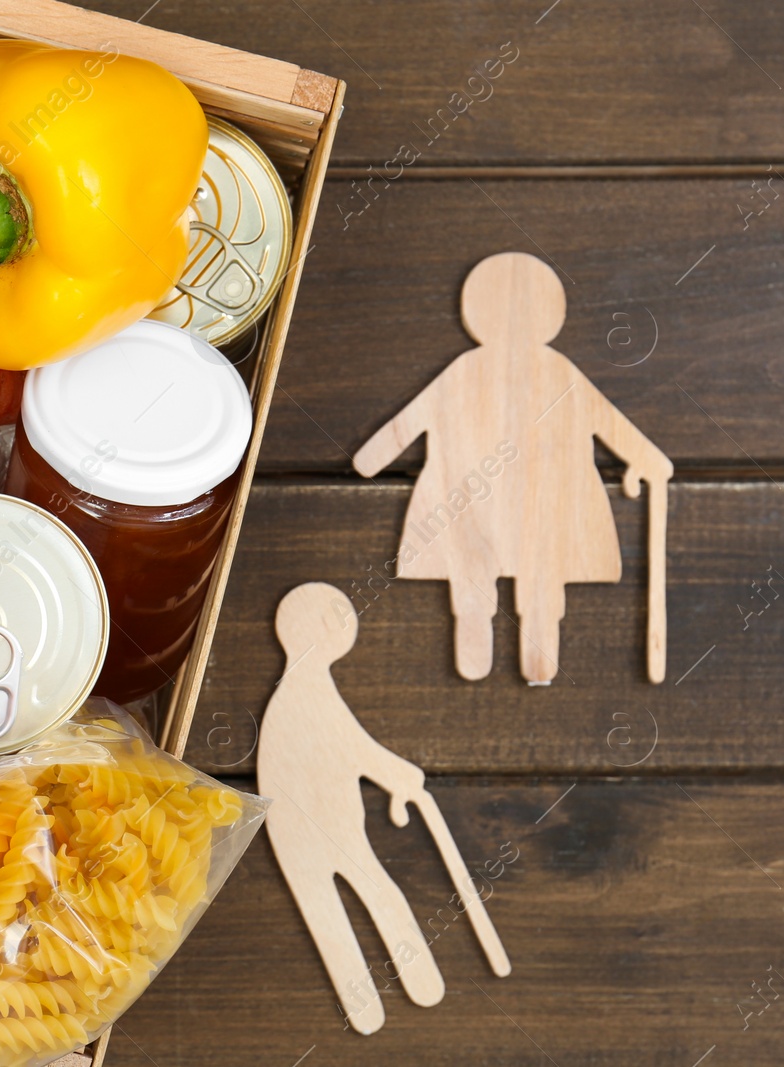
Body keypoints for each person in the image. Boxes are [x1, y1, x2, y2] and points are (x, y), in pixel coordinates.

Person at [353, 252, 673, 683]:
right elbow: (611, 423)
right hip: (532, 506)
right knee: (514, 570)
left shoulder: (478, 370)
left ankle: (508, 635)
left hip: (488, 503)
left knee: (502, 568)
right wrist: (649, 459)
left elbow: (404, 427)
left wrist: (370, 461)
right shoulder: (553, 372)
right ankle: (502, 634)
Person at [258, 582, 443, 1035]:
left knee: (326, 906)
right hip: (322, 825)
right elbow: (357, 750)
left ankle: (370, 1000)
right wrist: (401, 775)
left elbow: (352, 749)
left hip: (301, 828)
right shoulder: (308, 692)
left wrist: (397, 777)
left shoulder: (299, 691)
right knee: (377, 893)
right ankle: (412, 982)